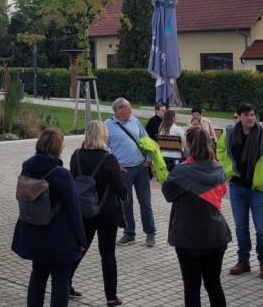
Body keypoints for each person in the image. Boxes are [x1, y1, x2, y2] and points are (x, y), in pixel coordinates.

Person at [12, 128, 87, 307]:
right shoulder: (62, 174)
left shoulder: (27, 167)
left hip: (33, 230)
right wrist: (81, 239)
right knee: (60, 281)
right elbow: (73, 209)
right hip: (58, 237)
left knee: (37, 275)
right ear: (57, 147)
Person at [217, 102, 263, 280]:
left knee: (261, 229)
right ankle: (243, 261)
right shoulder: (230, 133)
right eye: (246, 115)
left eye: (253, 115)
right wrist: (227, 169)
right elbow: (220, 150)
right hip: (237, 187)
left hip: (258, 190)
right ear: (239, 117)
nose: (250, 118)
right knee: (241, 227)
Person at [164, 127, 231, 307]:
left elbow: (168, 194)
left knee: (192, 286)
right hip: (216, 234)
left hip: (188, 236)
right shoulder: (219, 168)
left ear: (188, 144)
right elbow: (221, 192)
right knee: (214, 284)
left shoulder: (181, 171)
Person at [68, 121, 128, 307]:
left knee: (80, 247)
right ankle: (111, 298)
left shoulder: (76, 155)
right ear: (102, 136)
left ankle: (64, 282)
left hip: (83, 209)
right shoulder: (109, 158)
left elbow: (73, 179)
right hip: (106, 210)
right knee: (107, 254)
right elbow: (118, 187)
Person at [106, 97, 156, 247]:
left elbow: (146, 140)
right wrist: (115, 165)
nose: (131, 111)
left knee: (145, 202)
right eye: (128, 108)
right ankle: (129, 234)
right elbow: (104, 148)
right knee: (126, 202)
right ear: (118, 110)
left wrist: (149, 159)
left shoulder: (135, 121)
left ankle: (150, 233)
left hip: (141, 167)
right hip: (123, 170)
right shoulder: (107, 125)